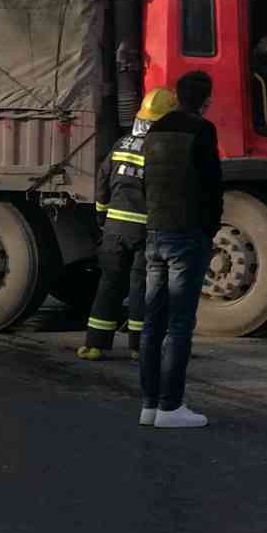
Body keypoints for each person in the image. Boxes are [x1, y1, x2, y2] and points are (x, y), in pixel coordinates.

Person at [138, 69, 223, 429]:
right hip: (186, 235)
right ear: (207, 101)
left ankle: (150, 405)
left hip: (155, 232)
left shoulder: (156, 131)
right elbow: (212, 185)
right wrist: (209, 229)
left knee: (152, 323)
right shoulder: (202, 131)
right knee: (180, 323)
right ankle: (171, 407)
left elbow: (145, 183)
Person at [77, 85, 177, 360]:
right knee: (140, 287)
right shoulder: (160, 152)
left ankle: (94, 344)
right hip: (144, 231)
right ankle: (138, 347)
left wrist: (102, 213)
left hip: (113, 229)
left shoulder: (120, 145)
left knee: (108, 283)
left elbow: (102, 180)